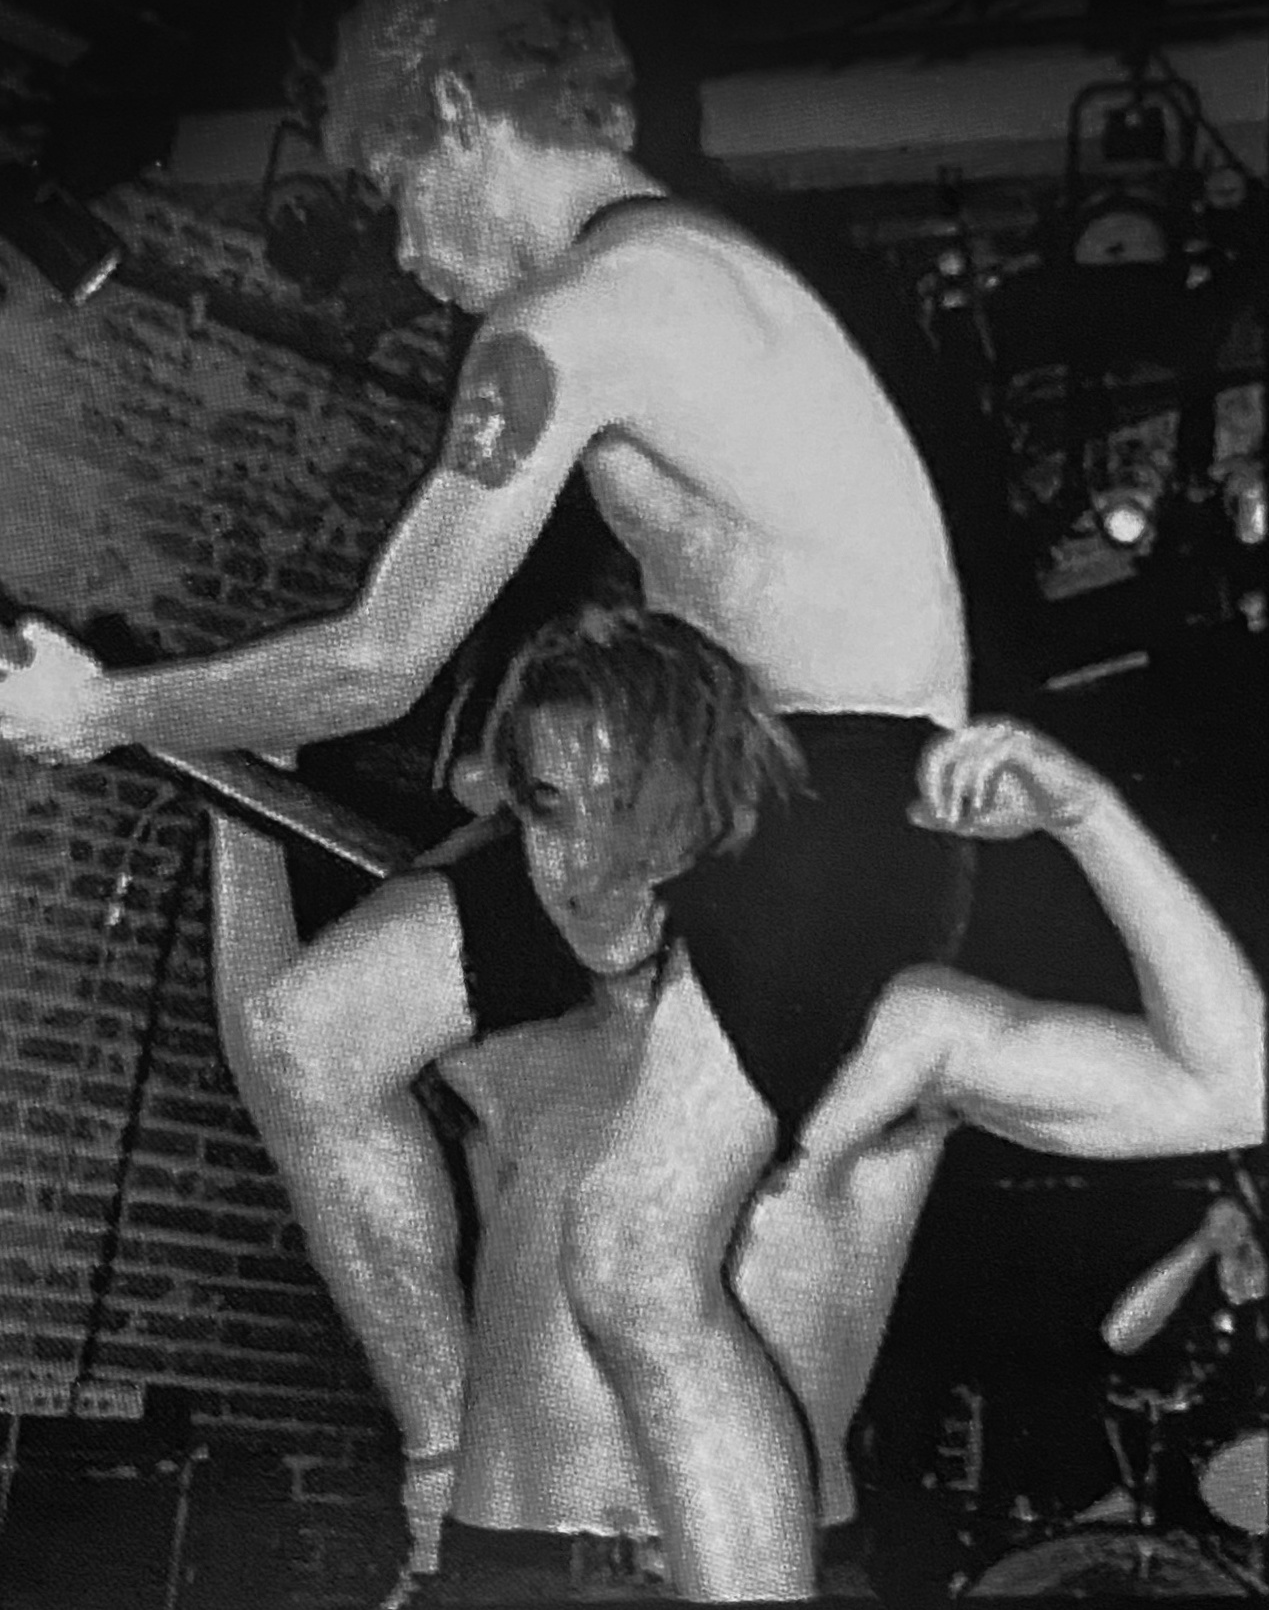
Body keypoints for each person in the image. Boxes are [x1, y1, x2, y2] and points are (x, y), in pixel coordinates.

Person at [0, 0, 973, 1597]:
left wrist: (107, 709)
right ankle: (450, 1473)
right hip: (695, 785)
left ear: (460, 112)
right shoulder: (664, 291)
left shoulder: (586, 309)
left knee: (634, 1251)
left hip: (838, 793)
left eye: (396, 188)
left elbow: (383, 655)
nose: (402, 246)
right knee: (311, 1039)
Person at [209, 613, 1262, 1608]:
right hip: (502, 1573)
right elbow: (285, 1063)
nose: (586, 868)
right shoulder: (502, 1038)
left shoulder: (890, 1032)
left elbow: (1230, 1088)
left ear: (721, 818)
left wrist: (1086, 816)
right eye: (551, 811)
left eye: (630, 810)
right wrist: (236, 798)